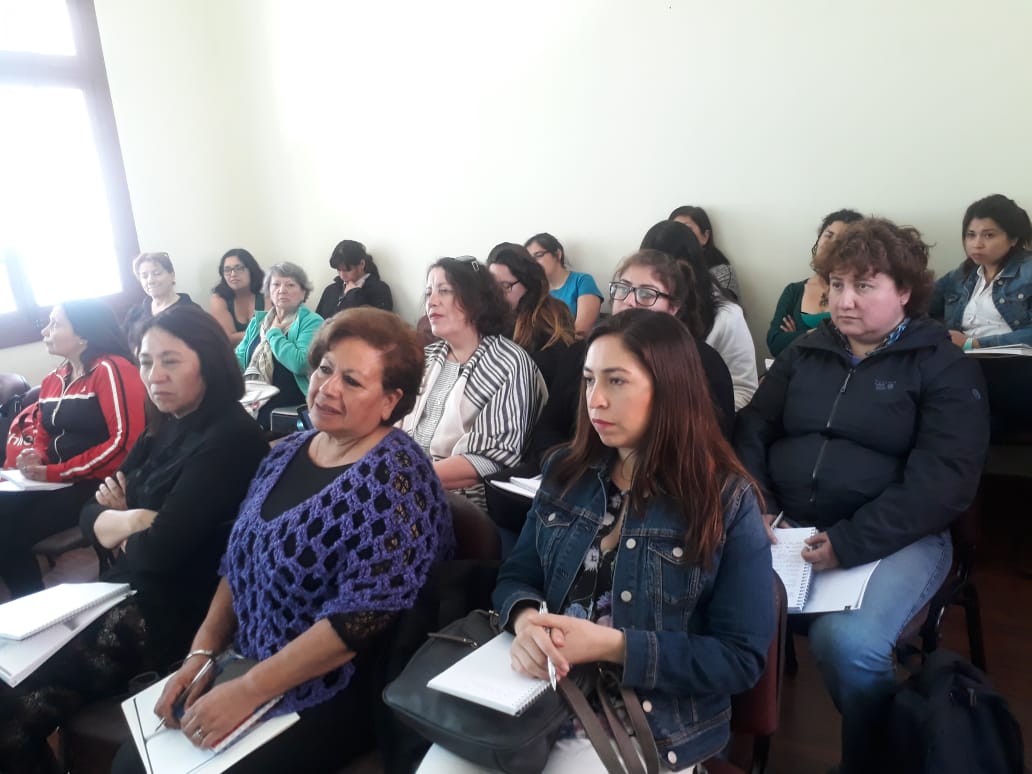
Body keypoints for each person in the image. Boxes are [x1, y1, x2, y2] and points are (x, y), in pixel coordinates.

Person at [419, 309, 774, 773]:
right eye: (589, 380)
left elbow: (739, 659)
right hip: (539, 690)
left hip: (651, 717)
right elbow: (518, 575)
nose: (596, 400)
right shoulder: (566, 471)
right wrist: (526, 620)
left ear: (670, 389)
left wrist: (613, 645)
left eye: (616, 381)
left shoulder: (726, 499)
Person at [113, 307, 453, 774]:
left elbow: (357, 621)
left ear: (390, 400)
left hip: (339, 687)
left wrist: (250, 690)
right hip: (250, 659)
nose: (327, 388)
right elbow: (238, 563)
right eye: (325, 369)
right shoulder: (286, 453)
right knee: (133, 763)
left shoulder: (398, 478)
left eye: (352, 381)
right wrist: (201, 653)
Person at [734, 218, 989, 773]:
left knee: (847, 645)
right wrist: (758, 504)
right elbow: (752, 428)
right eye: (837, 285)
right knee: (697, 600)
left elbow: (944, 481)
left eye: (864, 286)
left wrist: (849, 542)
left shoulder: (942, 365)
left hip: (899, 537)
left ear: (904, 291)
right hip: (788, 530)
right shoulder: (806, 351)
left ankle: (874, 762)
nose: (844, 301)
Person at [0, 306, 267, 774]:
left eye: (170, 361)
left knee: (8, 712)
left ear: (208, 361)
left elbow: (158, 554)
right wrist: (137, 519)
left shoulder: (230, 437)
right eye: (145, 361)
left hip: (171, 612)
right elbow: (90, 513)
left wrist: (122, 523)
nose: (154, 375)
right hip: (121, 590)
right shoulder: (165, 424)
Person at [0, 299, 146, 597]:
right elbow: (43, 433)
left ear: (82, 334)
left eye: (55, 324)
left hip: (97, 482)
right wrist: (36, 456)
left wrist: (56, 472)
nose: (46, 331)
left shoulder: (111, 369)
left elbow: (124, 442)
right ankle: (30, 605)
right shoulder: (54, 379)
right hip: (54, 481)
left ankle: (34, 606)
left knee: (8, 532)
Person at [400, 257, 546, 511]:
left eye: (444, 291)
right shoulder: (426, 357)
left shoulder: (509, 363)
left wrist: (406, 478)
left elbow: (489, 460)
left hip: (461, 505)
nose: (432, 301)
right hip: (403, 484)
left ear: (476, 300)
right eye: (429, 292)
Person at [609, 248, 735, 437]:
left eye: (646, 294)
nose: (629, 301)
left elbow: (712, 440)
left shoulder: (703, 363)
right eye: (623, 288)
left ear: (673, 308)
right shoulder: (592, 351)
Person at [641, 220, 758, 409]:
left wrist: (694, 418)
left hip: (702, 417)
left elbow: (744, 390)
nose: (655, 280)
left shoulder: (726, 317)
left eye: (664, 272)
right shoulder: (636, 304)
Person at [930, 193, 1032, 350]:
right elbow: (918, 304)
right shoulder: (961, 275)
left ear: (1013, 239)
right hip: (961, 358)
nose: (977, 244)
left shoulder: (1027, 272)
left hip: (1012, 360)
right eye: (971, 235)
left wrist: (973, 344)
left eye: (989, 235)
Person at [236, 262, 323, 429]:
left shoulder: (311, 321)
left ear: (303, 292)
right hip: (253, 398)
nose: (282, 290)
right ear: (269, 290)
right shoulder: (258, 322)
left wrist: (274, 334)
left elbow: (300, 363)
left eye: (290, 285)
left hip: (288, 406)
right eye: (276, 284)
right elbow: (239, 358)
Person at [767, 209, 864, 357]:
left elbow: (853, 344)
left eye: (841, 240)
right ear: (819, 238)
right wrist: (820, 334)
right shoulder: (794, 291)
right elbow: (775, 344)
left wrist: (798, 336)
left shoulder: (858, 293)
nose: (831, 244)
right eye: (828, 235)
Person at [486, 241, 576, 385]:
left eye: (505, 286)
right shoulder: (488, 317)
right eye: (492, 286)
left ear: (527, 284)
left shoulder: (552, 319)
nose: (497, 295)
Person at [525, 233, 603, 338]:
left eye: (538, 255)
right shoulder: (536, 290)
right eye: (530, 260)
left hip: (574, 345)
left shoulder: (582, 281)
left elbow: (581, 331)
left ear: (558, 254)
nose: (534, 263)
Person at [123, 252, 201, 351]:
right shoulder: (135, 313)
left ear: (172, 275)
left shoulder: (192, 312)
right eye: (144, 276)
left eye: (157, 273)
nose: (150, 281)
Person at [669, 205, 741, 301]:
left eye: (687, 229)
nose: (681, 235)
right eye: (675, 230)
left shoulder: (722, 272)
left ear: (705, 236)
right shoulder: (664, 266)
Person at [315, 239, 394, 318]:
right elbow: (318, 321)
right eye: (338, 270)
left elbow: (379, 323)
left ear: (362, 264)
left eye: (347, 270)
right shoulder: (331, 290)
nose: (342, 276)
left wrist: (353, 295)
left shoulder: (379, 290)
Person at [208, 248, 265, 346]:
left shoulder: (266, 293)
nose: (233, 274)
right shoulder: (219, 298)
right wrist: (262, 333)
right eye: (227, 270)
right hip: (233, 354)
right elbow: (227, 338)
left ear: (251, 269)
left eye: (239, 268)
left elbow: (273, 332)